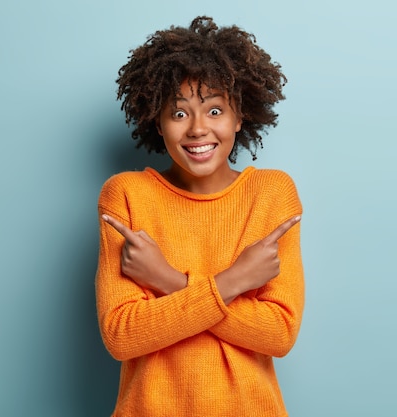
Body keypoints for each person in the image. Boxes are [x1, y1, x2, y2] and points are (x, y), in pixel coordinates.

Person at [95, 16, 304, 417]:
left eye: (214, 110)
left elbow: (278, 333)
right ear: (157, 121)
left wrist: (168, 281)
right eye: (178, 114)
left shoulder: (271, 194)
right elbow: (122, 335)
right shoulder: (126, 195)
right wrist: (234, 282)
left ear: (239, 117)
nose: (197, 129)